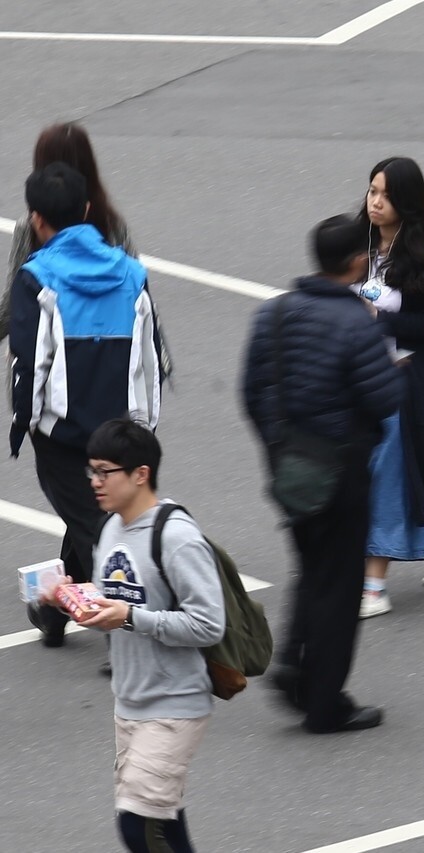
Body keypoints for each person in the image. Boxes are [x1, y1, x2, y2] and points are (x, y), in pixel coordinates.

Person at [241, 214, 402, 732]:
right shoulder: (356, 322)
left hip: (289, 467)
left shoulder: (274, 314)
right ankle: (325, 702)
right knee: (340, 583)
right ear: (356, 262)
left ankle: (292, 663)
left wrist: (277, 444)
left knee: (311, 566)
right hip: (342, 471)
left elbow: (252, 391)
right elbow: (382, 398)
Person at [42, 418, 224, 852]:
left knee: (138, 825)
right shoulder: (110, 529)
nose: (94, 482)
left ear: (141, 474)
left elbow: (208, 624)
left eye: (105, 472)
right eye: (92, 471)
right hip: (130, 701)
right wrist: (70, 598)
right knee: (167, 822)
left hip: (174, 703)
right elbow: (115, 598)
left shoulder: (178, 538)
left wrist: (131, 618)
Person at [10, 162, 161, 649]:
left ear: (36, 220)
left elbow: (29, 361)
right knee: (93, 514)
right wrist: (143, 427)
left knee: (101, 530)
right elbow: (148, 357)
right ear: (89, 209)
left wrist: (24, 422)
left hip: (62, 433)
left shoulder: (37, 277)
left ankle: (127, 637)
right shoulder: (131, 272)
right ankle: (53, 610)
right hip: (119, 429)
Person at [353, 157, 424, 619]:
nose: (375, 201)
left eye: (385, 194)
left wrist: (381, 321)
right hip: (365, 379)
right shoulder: (360, 247)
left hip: (408, 384)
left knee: (387, 474)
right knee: (401, 471)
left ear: (406, 202)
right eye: (371, 191)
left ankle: (374, 586)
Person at [1, 122, 172, 375]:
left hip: (45, 373)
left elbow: (13, 305)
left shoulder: (31, 226)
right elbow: (138, 295)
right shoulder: (111, 223)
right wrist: (159, 357)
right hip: (107, 367)